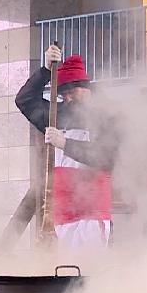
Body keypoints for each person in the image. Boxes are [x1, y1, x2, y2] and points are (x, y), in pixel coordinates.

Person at [16, 45, 116, 248]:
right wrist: (44, 70)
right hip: (63, 207)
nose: (67, 98)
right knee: (64, 266)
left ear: (85, 88)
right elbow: (24, 100)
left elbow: (105, 158)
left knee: (89, 267)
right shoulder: (56, 113)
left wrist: (64, 143)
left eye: (71, 91)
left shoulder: (106, 116)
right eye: (63, 94)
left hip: (92, 206)